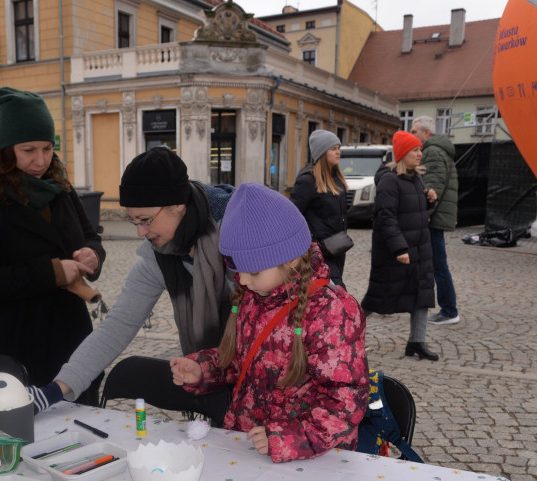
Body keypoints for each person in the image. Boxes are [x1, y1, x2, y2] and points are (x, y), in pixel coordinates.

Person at [169, 183, 369, 462]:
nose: (242, 280)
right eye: (236, 271)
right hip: (252, 448)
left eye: (252, 271)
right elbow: (241, 363)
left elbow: (345, 401)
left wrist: (290, 437)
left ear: (290, 260)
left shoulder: (332, 313)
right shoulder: (253, 298)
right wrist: (203, 369)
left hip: (312, 459)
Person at [27, 146, 235, 413]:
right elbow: (119, 324)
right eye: (133, 221)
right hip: (214, 382)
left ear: (178, 205)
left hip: (273, 388)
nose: (140, 232)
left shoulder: (235, 232)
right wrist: (56, 389)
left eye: (146, 220)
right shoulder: (159, 253)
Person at [0, 86, 106, 388]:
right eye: (28, 150)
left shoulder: (60, 188)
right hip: (8, 345)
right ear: (6, 149)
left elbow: (89, 235)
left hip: (66, 337)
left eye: (47, 148)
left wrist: (93, 254)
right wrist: (52, 272)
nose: (41, 160)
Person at [361, 130, 439, 361]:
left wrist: (430, 200)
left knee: (421, 294)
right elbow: (386, 217)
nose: (419, 154)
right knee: (377, 298)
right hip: (395, 253)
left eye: (420, 150)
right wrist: (399, 248)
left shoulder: (416, 178)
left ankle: (417, 342)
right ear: (403, 153)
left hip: (419, 249)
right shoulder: (389, 181)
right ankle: (347, 335)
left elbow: (414, 210)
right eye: (415, 150)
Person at [411, 115, 460, 325]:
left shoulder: (432, 152)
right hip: (436, 217)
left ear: (426, 133)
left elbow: (433, 190)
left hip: (433, 219)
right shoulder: (438, 151)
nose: (412, 136)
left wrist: (424, 217)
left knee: (439, 265)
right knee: (433, 265)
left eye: (414, 132)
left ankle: (449, 310)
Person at [290, 129, 350, 288]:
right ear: (322, 153)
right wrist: (311, 244)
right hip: (319, 254)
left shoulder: (336, 178)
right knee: (338, 294)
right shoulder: (308, 180)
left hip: (337, 249)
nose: (338, 153)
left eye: (338, 149)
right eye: (333, 149)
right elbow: (292, 215)